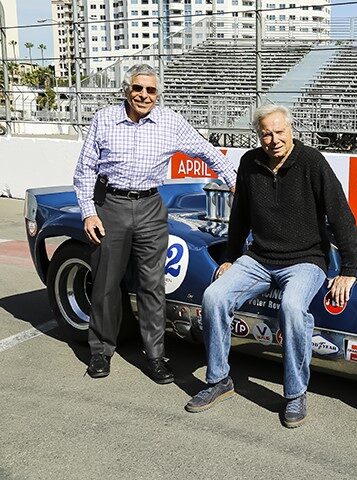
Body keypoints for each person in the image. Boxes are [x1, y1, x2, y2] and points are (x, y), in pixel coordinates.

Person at [185, 104, 357, 428]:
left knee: (293, 308)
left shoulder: (312, 162)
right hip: (259, 259)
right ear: (259, 135)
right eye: (267, 133)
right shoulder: (249, 164)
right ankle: (219, 380)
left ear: (291, 131)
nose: (274, 139)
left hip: (306, 260)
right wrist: (230, 257)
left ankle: (295, 394)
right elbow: (239, 217)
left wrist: (349, 269)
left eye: (280, 131)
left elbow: (340, 214)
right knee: (214, 297)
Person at [73, 64, 236, 383]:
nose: (143, 95)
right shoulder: (104, 118)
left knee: (152, 284)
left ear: (157, 94)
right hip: (110, 205)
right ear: (127, 89)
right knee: (106, 281)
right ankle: (100, 352)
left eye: (150, 90)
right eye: (137, 88)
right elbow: (85, 170)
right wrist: (88, 212)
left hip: (150, 205)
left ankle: (155, 355)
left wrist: (232, 180)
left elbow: (206, 151)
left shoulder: (170, 121)